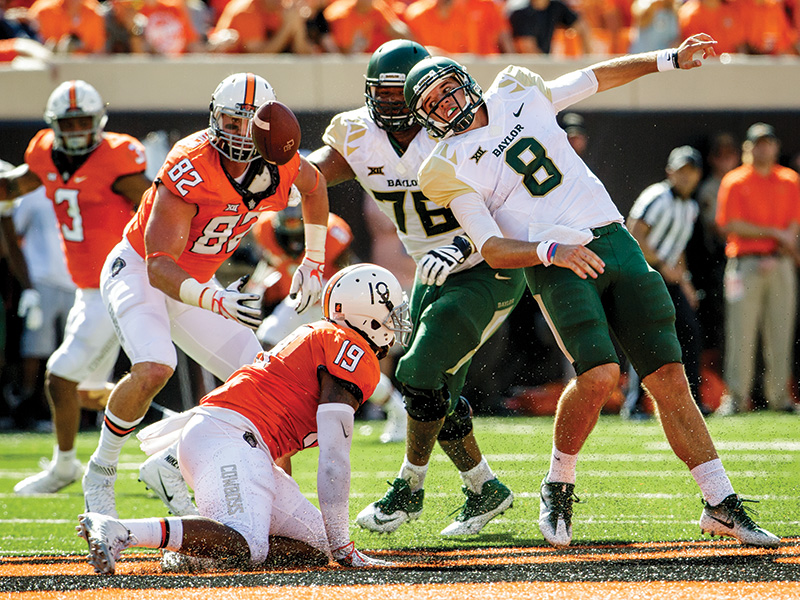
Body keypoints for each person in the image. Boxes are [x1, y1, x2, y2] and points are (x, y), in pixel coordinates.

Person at [402, 34, 780, 548]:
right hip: (554, 260)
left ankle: (720, 502)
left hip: (614, 237)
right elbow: (491, 247)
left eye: (448, 90)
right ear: (424, 118)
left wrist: (669, 59)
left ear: (465, 82)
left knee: (670, 378)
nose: (446, 104)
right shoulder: (444, 165)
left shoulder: (516, 88)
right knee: (600, 374)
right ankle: (558, 482)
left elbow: (597, 77)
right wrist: (550, 251)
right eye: (432, 104)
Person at [82, 72, 329, 519]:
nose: (239, 134)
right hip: (139, 270)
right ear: (215, 116)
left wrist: (314, 259)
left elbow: (315, 186)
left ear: (268, 126)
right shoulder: (192, 163)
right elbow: (159, 265)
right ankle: (100, 471)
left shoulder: (282, 162)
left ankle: (259, 501)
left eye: (249, 124)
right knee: (156, 366)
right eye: (231, 121)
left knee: (265, 389)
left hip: (195, 282)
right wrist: (215, 300)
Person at [307, 40, 526, 537]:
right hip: (430, 269)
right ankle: (484, 488)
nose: (388, 103)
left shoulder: (458, 129)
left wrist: (465, 246)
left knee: (419, 373)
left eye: (398, 92)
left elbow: (505, 206)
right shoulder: (358, 134)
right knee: (433, 390)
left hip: (483, 263)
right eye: (380, 93)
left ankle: (409, 489)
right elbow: (311, 175)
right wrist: (271, 166)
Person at [76, 263, 410, 574]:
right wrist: (344, 546)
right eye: (391, 312)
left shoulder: (329, 338)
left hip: (238, 439)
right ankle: (122, 530)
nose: (396, 321)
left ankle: (198, 553)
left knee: (314, 546)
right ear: (367, 315)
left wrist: (331, 542)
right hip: (229, 435)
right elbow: (334, 459)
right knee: (249, 543)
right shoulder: (349, 349)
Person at [0, 80, 151, 495]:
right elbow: (15, 186)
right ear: (54, 124)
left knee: (60, 376)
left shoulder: (117, 157)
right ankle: (171, 438)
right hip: (86, 287)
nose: (77, 130)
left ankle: (65, 466)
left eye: (84, 121)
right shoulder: (44, 153)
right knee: (87, 393)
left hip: (116, 286)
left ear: (99, 121)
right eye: (68, 123)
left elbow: (155, 208)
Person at [251, 205, 407, 444]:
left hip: (331, 299)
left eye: (299, 234)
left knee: (347, 364)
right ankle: (266, 414)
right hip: (299, 298)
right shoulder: (265, 228)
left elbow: (348, 274)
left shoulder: (333, 232)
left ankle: (397, 409)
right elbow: (274, 262)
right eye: (288, 235)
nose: (294, 242)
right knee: (265, 343)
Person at [715, 122, 800, 416]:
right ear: (748, 148)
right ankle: (736, 398)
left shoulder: (790, 179)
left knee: (781, 332)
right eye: (758, 144)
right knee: (740, 333)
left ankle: (780, 398)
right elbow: (729, 224)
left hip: (780, 263)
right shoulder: (735, 180)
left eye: (768, 143)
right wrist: (774, 234)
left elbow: (794, 224)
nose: (764, 148)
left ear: (776, 147)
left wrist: (780, 247)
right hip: (745, 264)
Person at [623, 145, 707, 419]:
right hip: (645, 275)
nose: (686, 176)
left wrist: (686, 283)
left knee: (689, 332)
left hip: (667, 278)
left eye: (691, 171)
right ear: (670, 171)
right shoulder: (656, 196)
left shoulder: (691, 206)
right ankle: (634, 404)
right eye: (681, 170)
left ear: (698, 175)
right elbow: (634, 234)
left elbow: (677, 249)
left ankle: (693, 401)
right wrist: (661, 265)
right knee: (647, 337)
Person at [404, 0, 514, 55]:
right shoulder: (415, 15)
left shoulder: (466, 15)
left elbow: (472, 55)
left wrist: (443, 56)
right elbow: (411, 54)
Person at [507, 0, 592, 55]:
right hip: (522, 67)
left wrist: (587, 59)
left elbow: (581, 27)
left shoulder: (556, 7)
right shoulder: (520, 11)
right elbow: (527, 49)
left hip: (543, 61)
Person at [28, 0, 106, 53]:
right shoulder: (43, 11)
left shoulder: (94, 13)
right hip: (52, 67)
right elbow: (33, 47)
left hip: (85, 68)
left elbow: (98, 51)